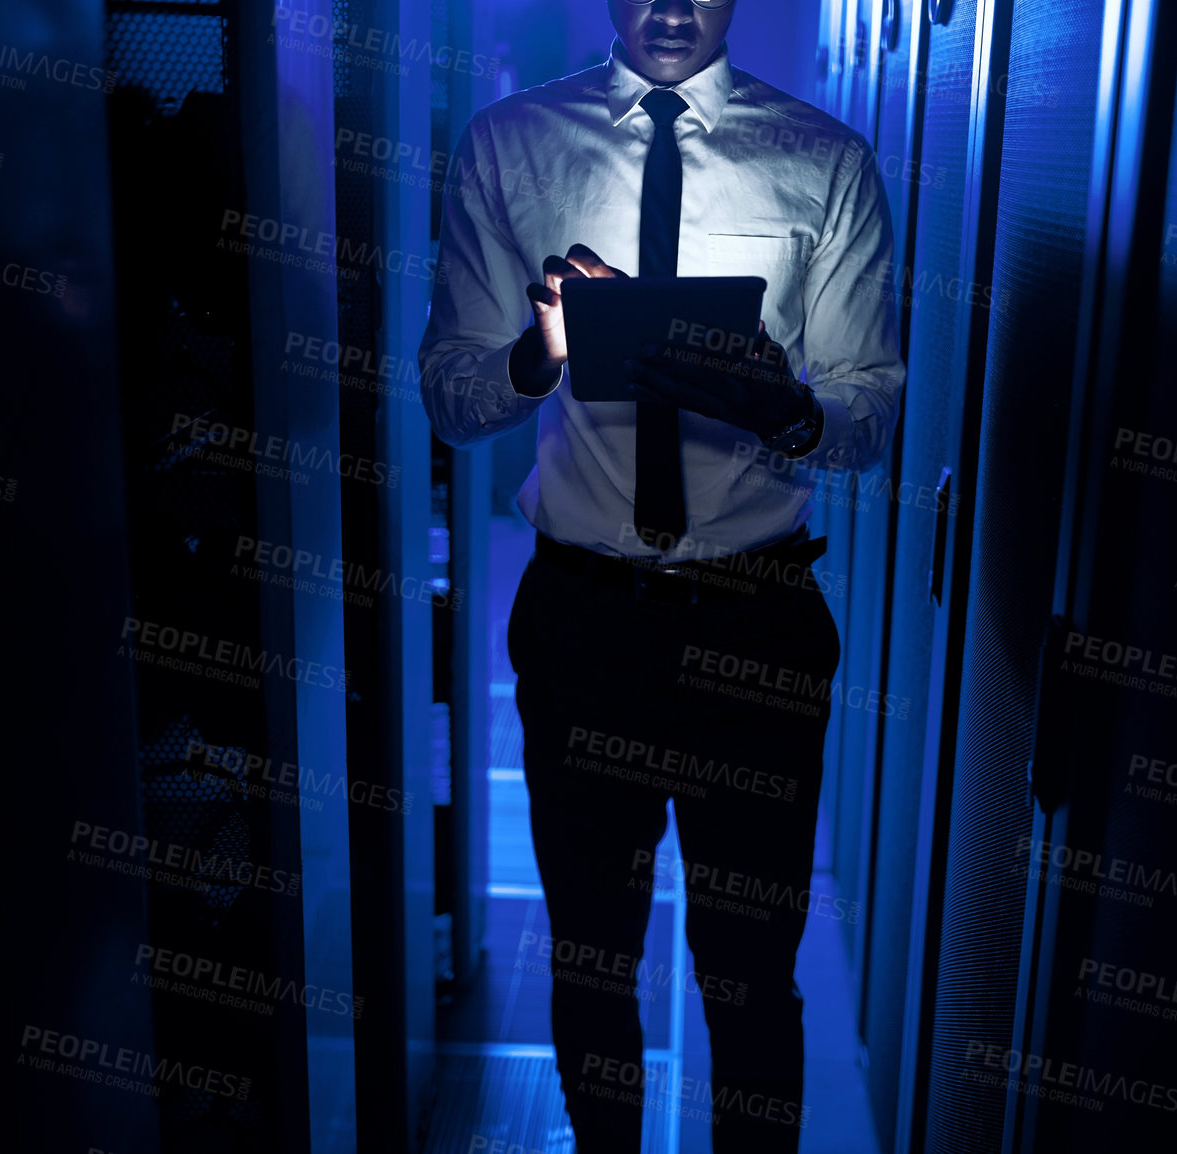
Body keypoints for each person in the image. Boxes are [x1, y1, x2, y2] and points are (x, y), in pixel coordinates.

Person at [418, 1, 904, 1149]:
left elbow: (870, 410)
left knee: (748, 976)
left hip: (756, 627)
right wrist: (544, 346)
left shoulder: (825, 158)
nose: (671, 7)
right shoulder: (507, 142)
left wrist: (777, 397)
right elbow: (450, 395)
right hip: (587, 625)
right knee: (591, 962)